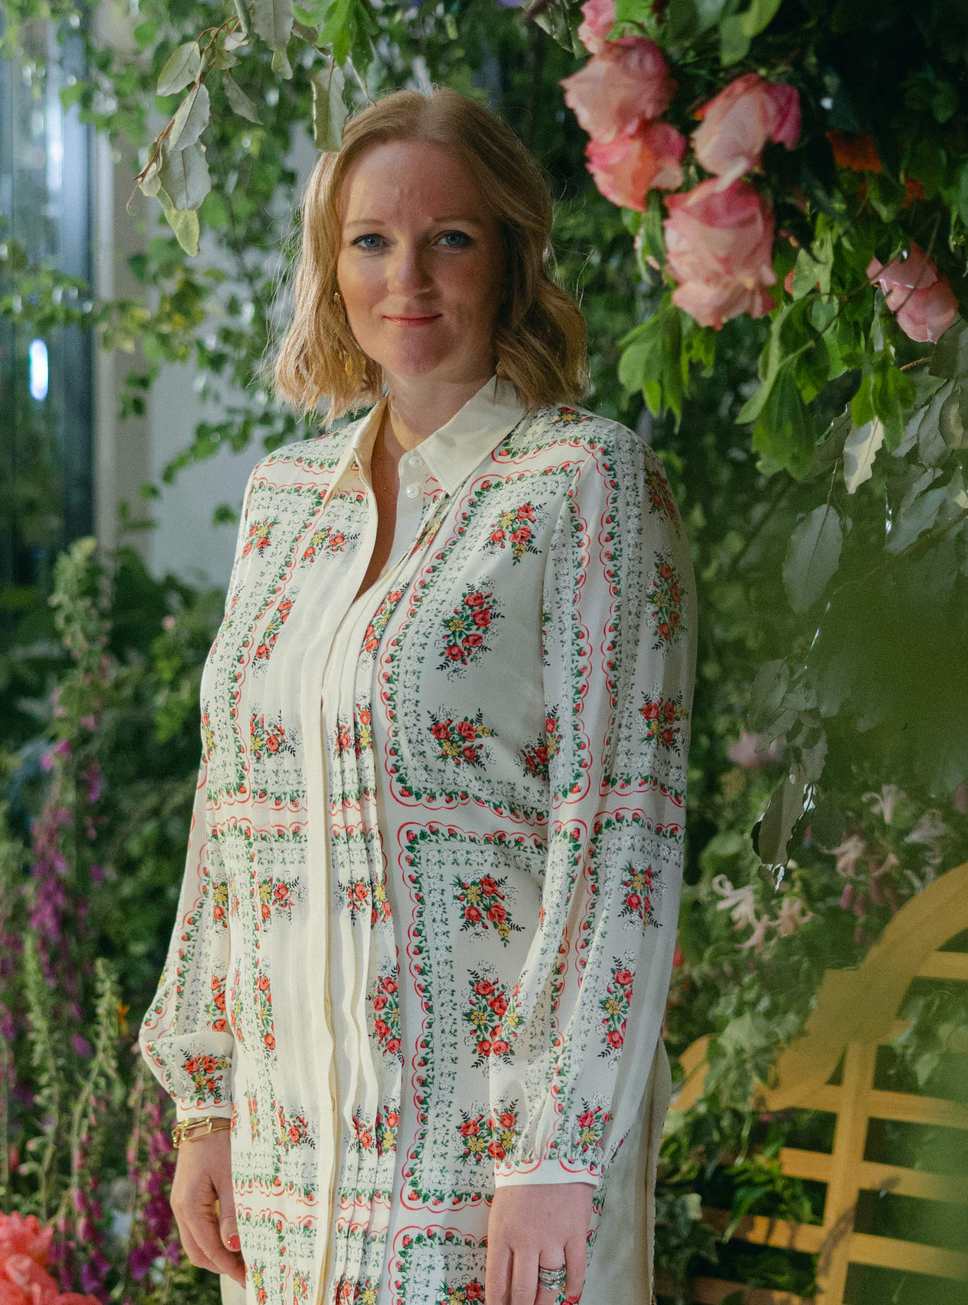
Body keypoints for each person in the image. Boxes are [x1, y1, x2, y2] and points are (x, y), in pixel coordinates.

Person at [136, 86, 696, 1305]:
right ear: (331, 268)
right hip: (290, 1154)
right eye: (372, 241)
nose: (411, 279)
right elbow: (227, 813)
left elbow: (620, 832)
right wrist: (208, 1101)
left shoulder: (583, 481)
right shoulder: (283, 501)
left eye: (450, 238)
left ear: (509, 257)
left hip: (491, 1158)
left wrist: (556, 1145)